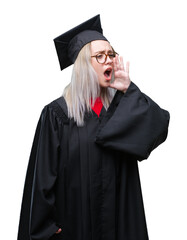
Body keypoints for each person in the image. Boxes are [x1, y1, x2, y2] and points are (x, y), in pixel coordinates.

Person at [17, 15, 170, 240]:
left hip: (118, 228)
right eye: (100, 56)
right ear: (83, 66)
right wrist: (47, 230)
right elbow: (41, 181)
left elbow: (158, 127)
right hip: (74, 230)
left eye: (111, 54)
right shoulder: (58, 115)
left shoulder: (121, 110)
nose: (109, 60)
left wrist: (129, 89)